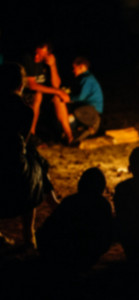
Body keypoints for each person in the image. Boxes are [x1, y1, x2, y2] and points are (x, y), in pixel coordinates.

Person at [0, 62, 58, 249]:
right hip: (13, 166)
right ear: (21, 85)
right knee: (34, 169)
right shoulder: (25, 111)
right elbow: (23, 141)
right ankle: (29, 234)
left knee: (34, 159)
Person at [36, 167, 113, 271]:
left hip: (61, 253)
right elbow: (107, 235)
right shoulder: (103, 205)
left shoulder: (69, 201)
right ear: (102, 187)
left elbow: (49, 227)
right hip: (88, 253)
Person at [22, 42, 72, 143]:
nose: (36, 56)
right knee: (38, 95)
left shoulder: (49, 61)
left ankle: (69, 136)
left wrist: (52, 66)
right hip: (28, 93)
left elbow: (56, 84)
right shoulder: (28, 58)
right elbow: (32, 85)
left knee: (58, 98)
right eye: (36, 53)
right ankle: (31, 134)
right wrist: (59, 91)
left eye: (40, 55)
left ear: (47, 54)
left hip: (44, 93)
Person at [68, 57, 104, 142]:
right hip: (89, 108)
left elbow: (81, 97)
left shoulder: (87, 79)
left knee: (71, 116)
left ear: (82, 67)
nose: (73, 71)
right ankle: (85, 130)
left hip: (92, 109)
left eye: (74, 68)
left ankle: (91, 125)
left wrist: (68, 97)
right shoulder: (85, 78)